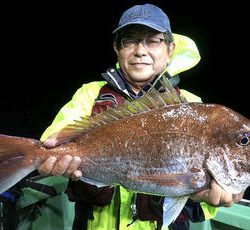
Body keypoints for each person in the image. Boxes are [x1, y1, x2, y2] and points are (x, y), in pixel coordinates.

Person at [38, 3, 244, 230]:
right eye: (130, 40)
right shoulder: (90, 93)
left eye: (153, 40)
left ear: (170, 49)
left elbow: (194, 203)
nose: (140, 51)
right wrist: (50, 154)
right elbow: (53, 139)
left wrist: (205, 196)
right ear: (117, 48)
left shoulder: (191, 104)